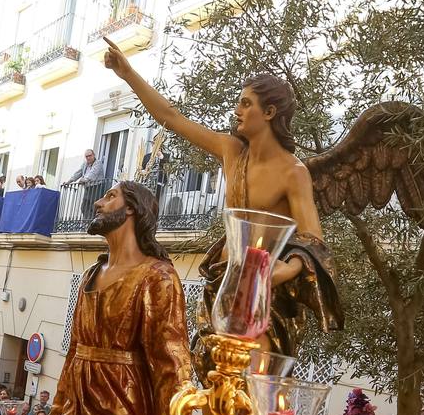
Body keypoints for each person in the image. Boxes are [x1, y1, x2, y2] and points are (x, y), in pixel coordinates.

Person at [102, 38, 340, 356]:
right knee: (215, 376)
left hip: (261, 291)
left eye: (246, 104)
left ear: (269, 112)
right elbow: (171, 118)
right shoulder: (231, 151)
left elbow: (313, 238)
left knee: (252, 382)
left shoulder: (292, 172)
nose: (236, 111)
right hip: (223, 279)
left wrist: (287, 269)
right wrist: (128, 73)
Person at [24, 181, 193, 415]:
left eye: (110, 196)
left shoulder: (157, 277)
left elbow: (171, 366)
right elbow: (73, 353)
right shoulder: (90, 275)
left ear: (132, 208)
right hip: (76, 414)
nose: (99, 203)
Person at [62, 147, 106, 222]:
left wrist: (84, 180)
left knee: (94, 206)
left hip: (97, 187)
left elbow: (93, 174)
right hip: (88, 188)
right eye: (86, 156)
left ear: (93, 155)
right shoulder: (85, 164)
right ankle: (88, 222)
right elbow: (77, 173)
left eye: (90, 155)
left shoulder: (98, 163)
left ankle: (93, 222)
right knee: (84, 207)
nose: (88, 158)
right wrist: (68, 182)